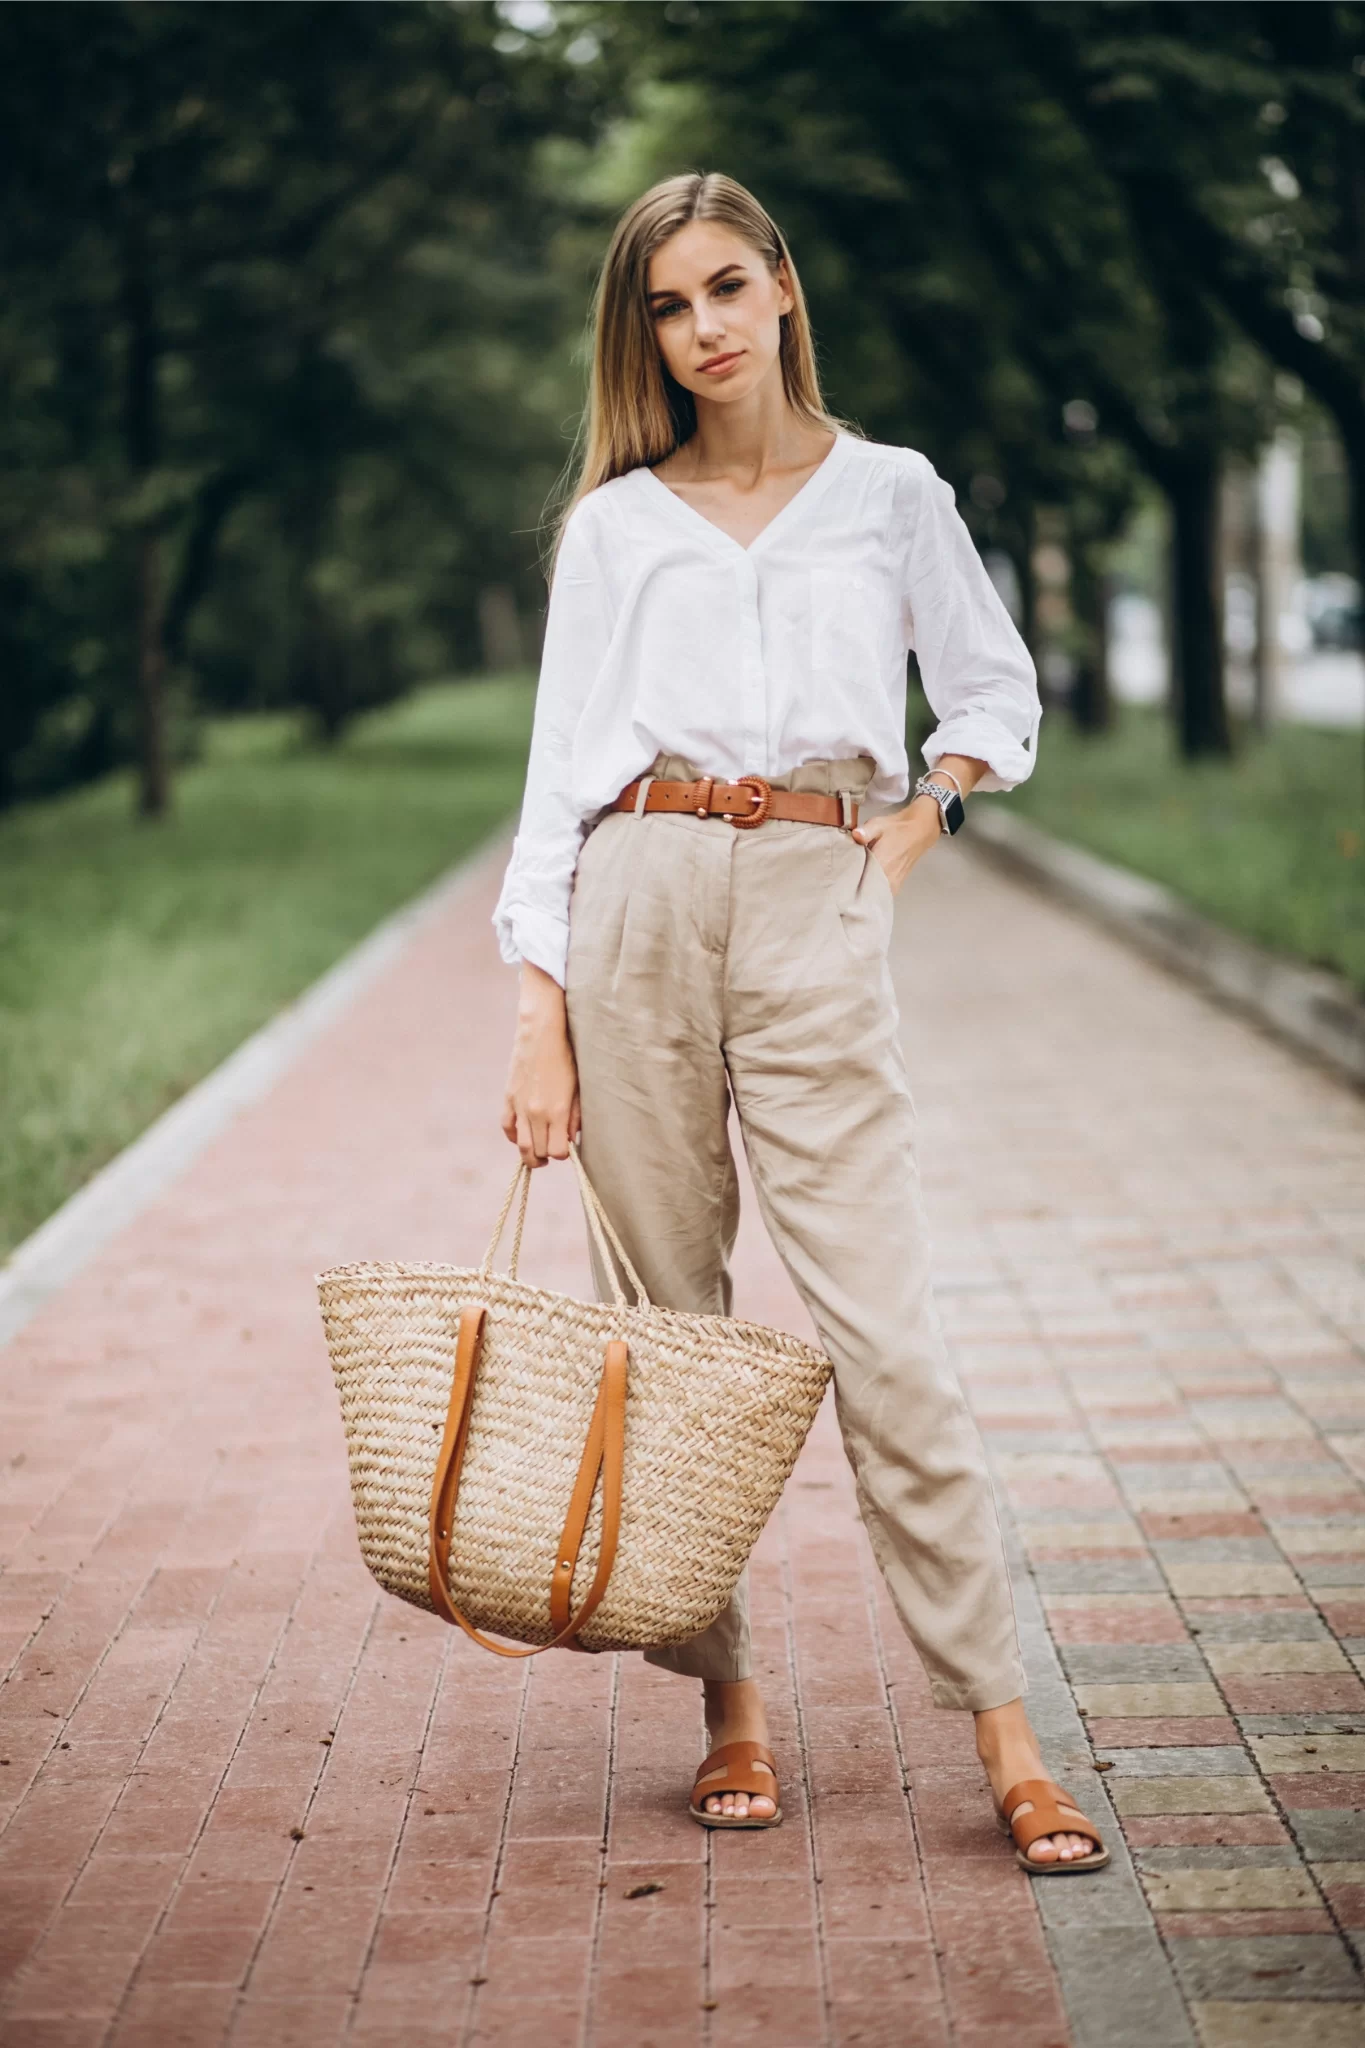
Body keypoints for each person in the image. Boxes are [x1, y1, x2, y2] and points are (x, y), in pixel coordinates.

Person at [494, 172, 1107, 1873]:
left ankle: (1002, 1726)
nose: (701, 330)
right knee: (676, 1334)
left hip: (817, 898)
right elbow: (555, 784)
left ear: (781, 290)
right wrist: (534, 1012)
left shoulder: (893, 494)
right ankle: (726, 1699)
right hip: (635, 901)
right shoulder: (616, 528)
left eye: (724, 290)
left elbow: (991, 692)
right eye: (667, 308)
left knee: (886, 1333)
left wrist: (918, 826)